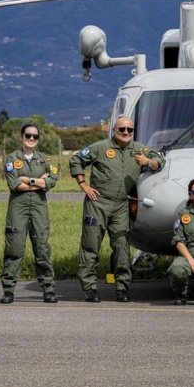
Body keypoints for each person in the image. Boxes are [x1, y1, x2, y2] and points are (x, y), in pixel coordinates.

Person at [70, 116, 165, 302]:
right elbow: (76, 160)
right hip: (98, 202)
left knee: (122, 246)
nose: (125, 133)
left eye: (129, 130)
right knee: (91, 246)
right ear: (114, 130)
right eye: (122, 129)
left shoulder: (139, 149)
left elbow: (159, 161)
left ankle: (122, 288)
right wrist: (83, 185)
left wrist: (147, 162)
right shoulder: (100, 147)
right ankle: (89, 288)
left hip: (122, 205)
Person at [0, 123, 59, 304]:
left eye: (35, 136)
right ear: (21, 137)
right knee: (14, 248)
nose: (31, 139)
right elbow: (14, 184)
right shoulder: (12, 158)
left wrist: (27, 179)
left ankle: (48, 289)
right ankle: (9, 290)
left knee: (42, 248)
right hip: (18, 208)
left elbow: (52, 181)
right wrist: (38, 182)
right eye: (28, 135)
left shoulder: (45, 159)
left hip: (39, 209)